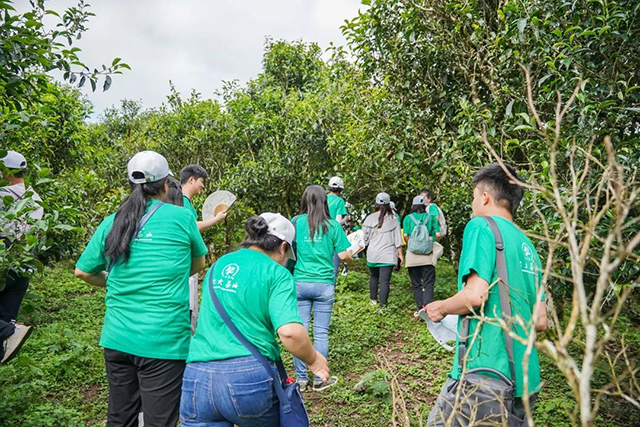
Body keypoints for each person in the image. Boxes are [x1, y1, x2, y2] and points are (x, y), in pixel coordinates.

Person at [75, 151, 208, 427]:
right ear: (167, 184)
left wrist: (112, 281)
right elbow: (198, 262)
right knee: (160, 421)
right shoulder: (182, 218)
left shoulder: (114, 220)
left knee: (120, 417)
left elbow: (83, 271)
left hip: (117, 337)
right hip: (163, 341)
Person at [425, 163, 548, 426]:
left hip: (485, 373)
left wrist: (441, 307)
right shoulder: (528, 246)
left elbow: (474, 296)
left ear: (485, 197)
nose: (472, 204)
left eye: (473, 197)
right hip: (526, 380)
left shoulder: (481, 226)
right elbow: (540, 320)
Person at [182, 213, 330, 426]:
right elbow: (289, 331)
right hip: (247, 378)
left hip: (197, 375)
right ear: (283, 247)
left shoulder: (219, 264)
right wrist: (314, 360)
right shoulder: (276, 273)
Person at [291, 185, 352, 392]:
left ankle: (300, 378)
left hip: (299, 282)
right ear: (324, 201)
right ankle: (319, 378)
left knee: (300, 331)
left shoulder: (296, 222)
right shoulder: (333, 226)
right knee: (321, 332)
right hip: (324, 283)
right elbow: (344, 256)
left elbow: (287, 249)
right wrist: (353, 254)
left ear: (305, 200)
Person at [0, 151, 42, 363]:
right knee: (4, 340)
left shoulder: (2, 196)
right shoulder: (36, 198)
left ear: (5, 171)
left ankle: (9, 329)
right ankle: (9, 329)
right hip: (24, 266)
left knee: (4, 329)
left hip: (4, 263)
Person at [180, 164, 227, 333]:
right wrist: (217, 219)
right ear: (191, 179)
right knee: (188, 309)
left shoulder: (183, 201)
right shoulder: (182, 201)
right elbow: (192, 227)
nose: (203, 186)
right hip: (185, 260)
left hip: (185, 262)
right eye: (201, 181)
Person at [362, 192, 403, 308]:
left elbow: (364, 238)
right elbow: (398, 240)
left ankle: (373, 301)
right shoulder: (394, 219)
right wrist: (401, 255)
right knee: (384, 281)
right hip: (388, 255)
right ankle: (383, 306)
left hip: (372, 254)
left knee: (374, 277)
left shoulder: (369, 218)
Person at [403, 195, 441, 318]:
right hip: (427, 256)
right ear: (425, 206)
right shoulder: (430, 217)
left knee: (416, 284)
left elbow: (405, 236)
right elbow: (438, 233)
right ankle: (428, 309)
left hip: (412, 256)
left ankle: (420, 309)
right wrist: (431, 240)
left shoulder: (408, 218)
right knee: (428, 283)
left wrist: (412, 244)